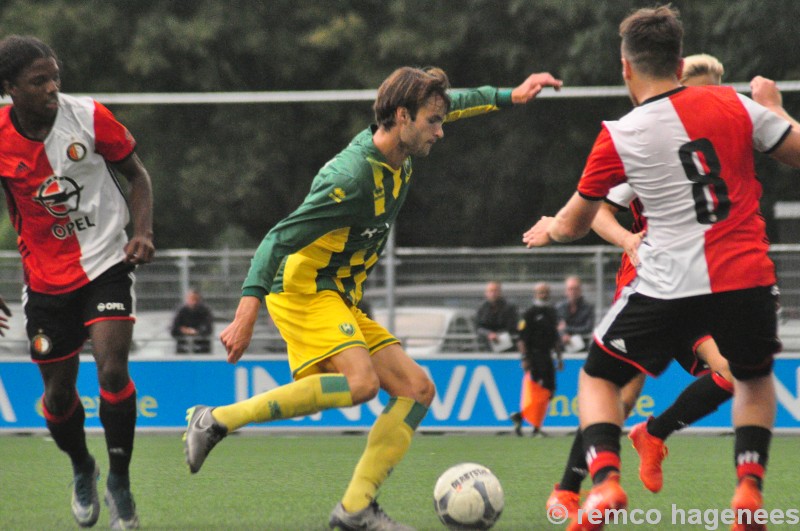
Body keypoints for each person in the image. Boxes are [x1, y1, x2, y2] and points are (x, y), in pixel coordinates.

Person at [183, 66, 562, 530]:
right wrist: (246, 314)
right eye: (432, 122)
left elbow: (458, 101)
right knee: (360, 384)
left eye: (441, 120)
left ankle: (355, 509)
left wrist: (511, 95)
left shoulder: (403, 149)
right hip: (302, 287)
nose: (441, 131)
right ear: (402, 117)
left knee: (417, 390)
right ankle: (216, 419)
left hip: (338, 295)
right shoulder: (350, 177)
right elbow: (275, 240)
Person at [523, 6, 800, 530]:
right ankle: (748, 488)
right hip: (746, 278)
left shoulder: (622, 133)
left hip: (667, 286)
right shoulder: (736, 106)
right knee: (753, 376)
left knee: (600, 378)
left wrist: (555, 227)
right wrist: (777, 110)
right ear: (679, 60)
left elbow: (578, 220)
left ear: (624, 67)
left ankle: (604, 481)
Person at [547, 53, 737, 520]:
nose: (711, 98)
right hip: (650, 288)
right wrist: (632, 240)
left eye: (717, 89)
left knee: (732, 373)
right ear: (677, 86)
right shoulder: (651, 141)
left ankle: (654, 434)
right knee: (617, 394)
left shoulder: (717, 144)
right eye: (701, 89)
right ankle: (572, 490)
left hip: (696, 289)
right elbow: (598, 212)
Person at [0, 36, 155, 529]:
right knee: (59, 397)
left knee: (112, 371)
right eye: (38, 80)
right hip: (44, 281)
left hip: (106, 262)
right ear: (9, 89)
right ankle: (82, 467)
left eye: (55, 76)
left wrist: (144, 232)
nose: (52, 88)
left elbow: (138, 177)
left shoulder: (88, 117)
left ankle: (120, 482)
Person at [510, 281, 561, 436]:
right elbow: (521, 338)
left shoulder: (552, 312)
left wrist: (559, 357)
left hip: (547, 355)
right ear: (535, 294)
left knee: (549, 391)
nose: (543, 295)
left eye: (545, 292)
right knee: (537, 391)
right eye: (540, 292)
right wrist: (525, 358)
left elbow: (556, 336)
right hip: (534, 355)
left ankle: (521, 417)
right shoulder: (529, 313)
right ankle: (536, 428)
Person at [475, 280, 518, 353]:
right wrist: (488, 334)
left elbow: (513, 326)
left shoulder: (510, 307)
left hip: (508, 347)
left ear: (500, 292)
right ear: (486, 293)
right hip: (486, 347)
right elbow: (478, 327)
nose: (493, 294)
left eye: (495, 291)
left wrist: (498, 335)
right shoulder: (482, 308)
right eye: (490, 291)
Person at [555, 275, 594, 352]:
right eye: (570, 289)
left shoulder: (588, 308)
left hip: (583, 347)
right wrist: (563, 335)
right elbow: (556, 328)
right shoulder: (559, 308)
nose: (573, 292)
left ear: (580, 290)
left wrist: (567, 328)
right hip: (562, 347)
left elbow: (588, 328)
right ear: (566, 291)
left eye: (576, 289)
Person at [170, 288, 214, 354]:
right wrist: (184, 331)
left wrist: (196, 332)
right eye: (190, 299)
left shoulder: (205, 311)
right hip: (183, 348)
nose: (193, 302)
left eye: (195, 299)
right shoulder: (181, 311)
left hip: (202, 348)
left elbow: (208, 329)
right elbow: (174, 329)